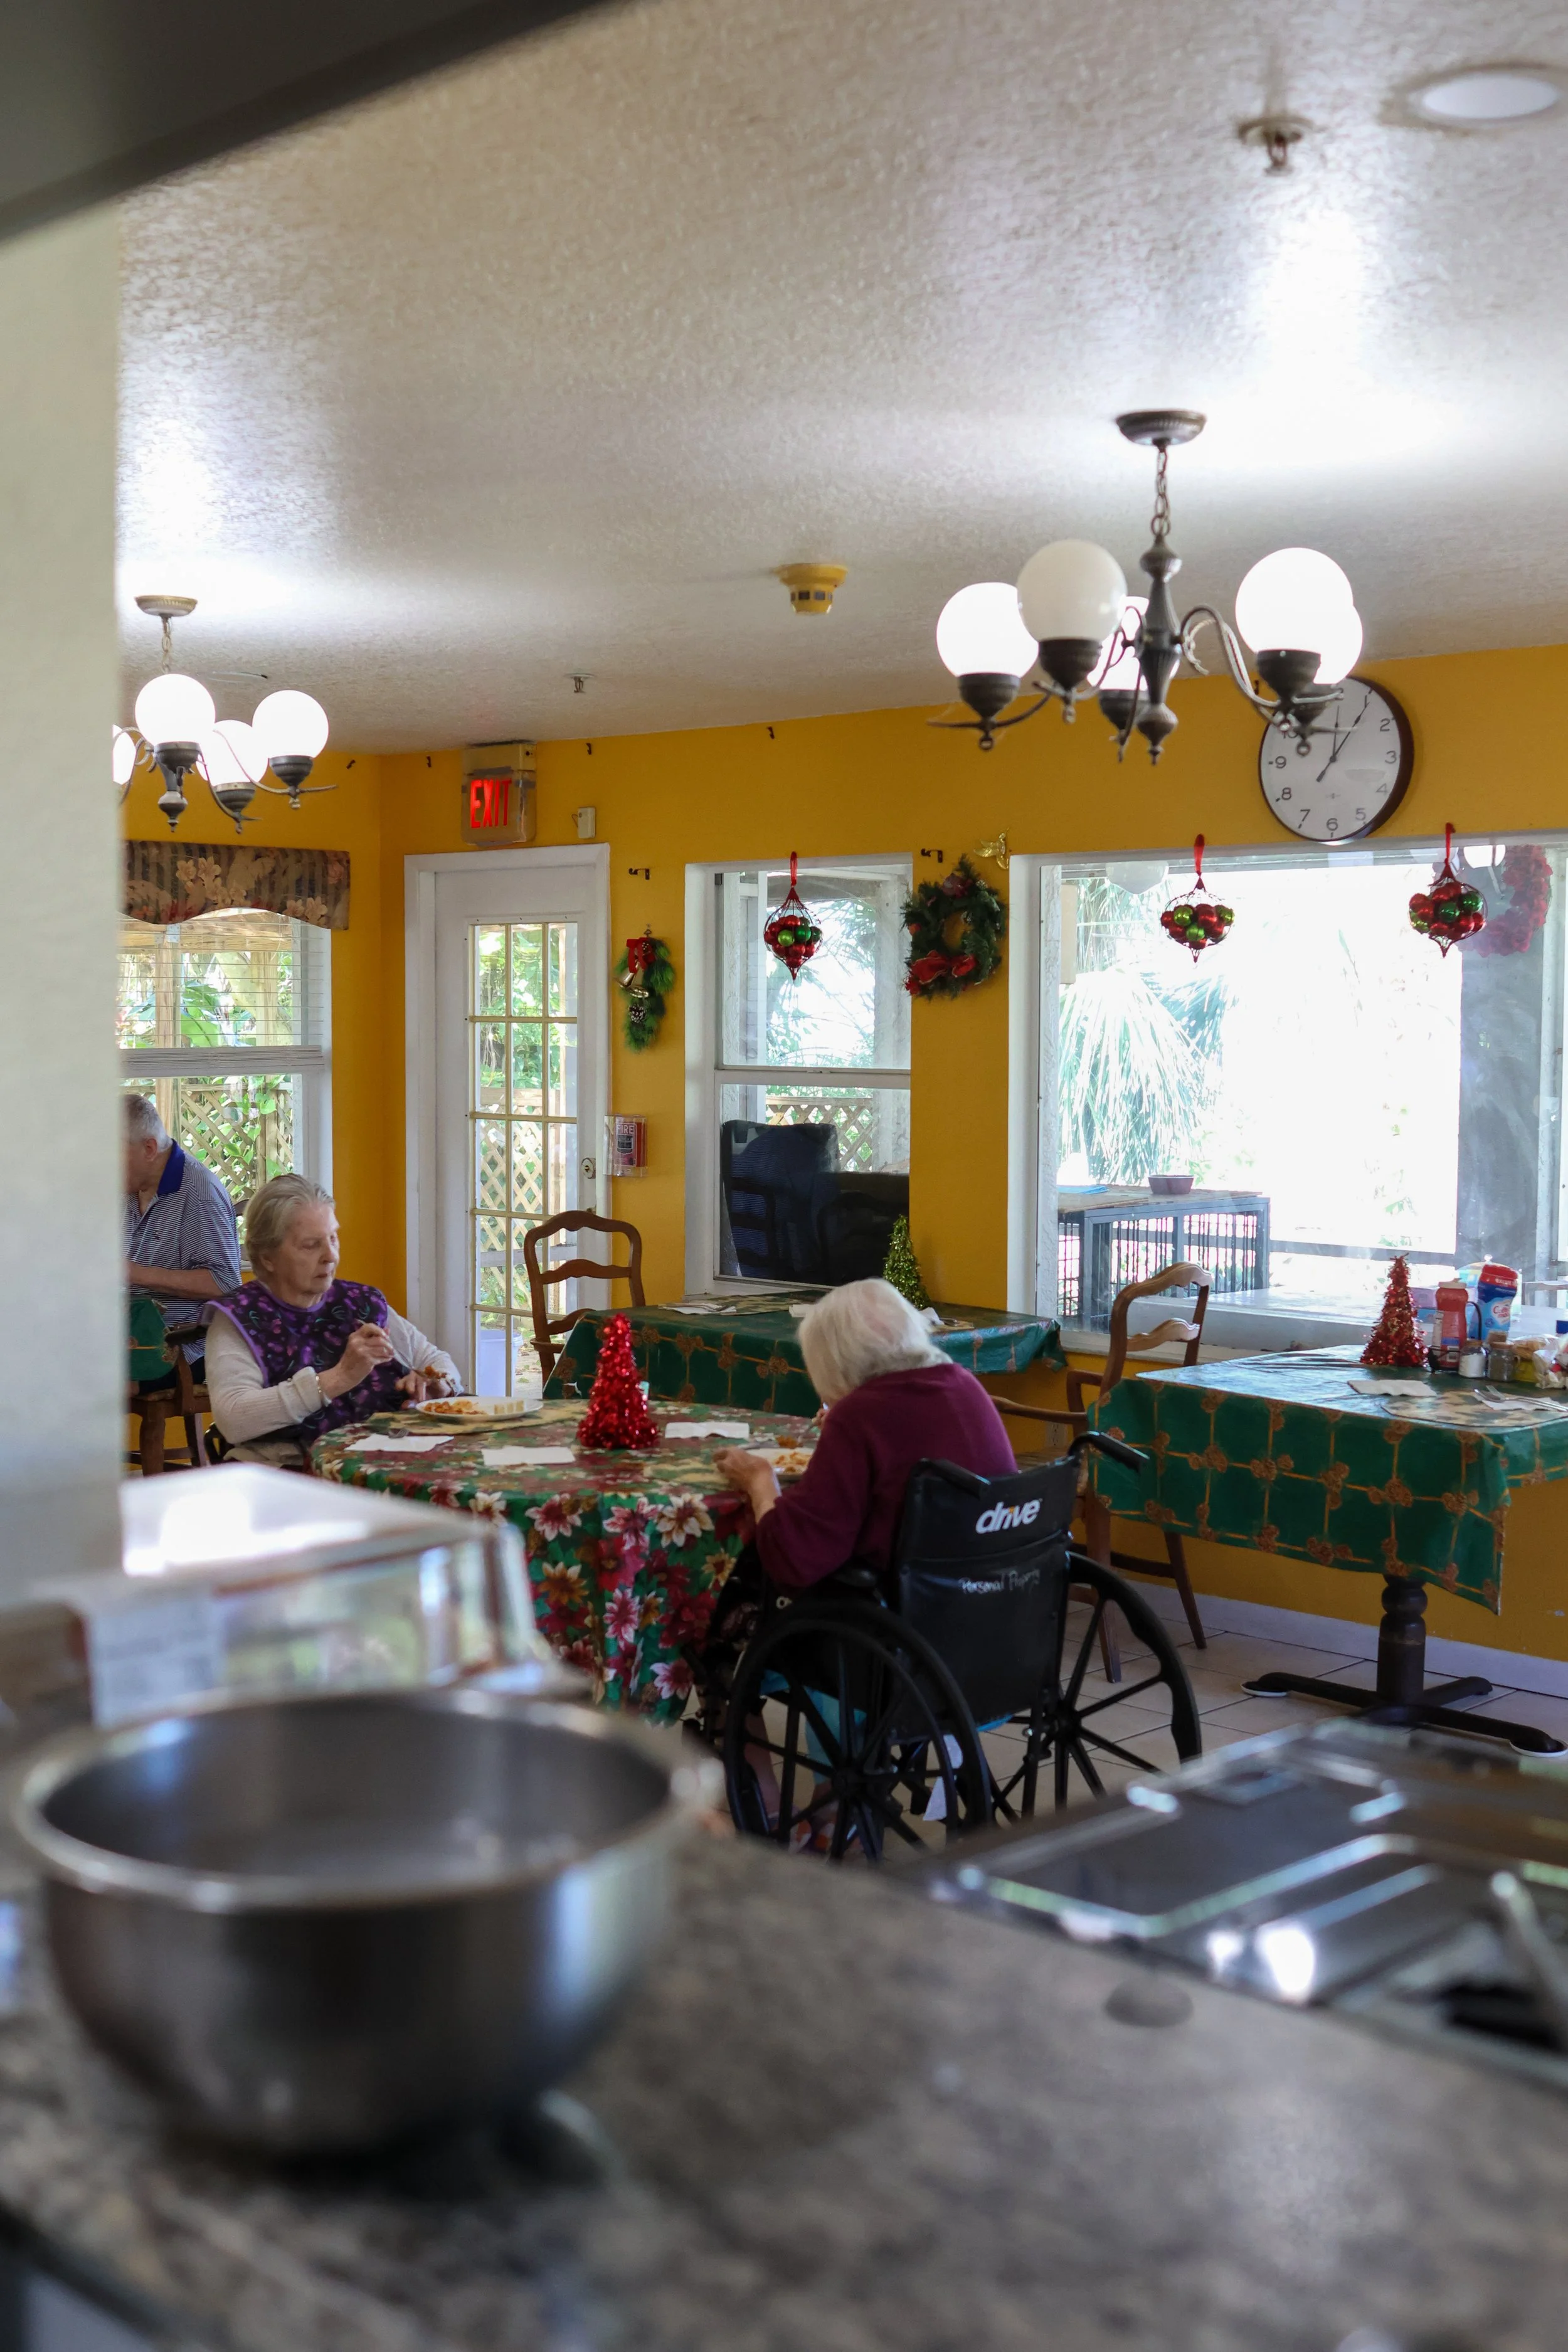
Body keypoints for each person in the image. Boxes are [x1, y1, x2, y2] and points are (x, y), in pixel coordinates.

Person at [696, 1277, 1016, 1724]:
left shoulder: (860, 1414)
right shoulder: (963, 1385)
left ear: (835, 1360)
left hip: (895, 1637)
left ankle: (761, 1782)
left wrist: (761, 1480)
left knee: (725, 1613)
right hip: (991, 1620)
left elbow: (795, 1559)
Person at [205, 1173, 461, 1467]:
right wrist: (339, 1378)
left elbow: (435, 1360)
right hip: (294, 1474)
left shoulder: (360, 1301)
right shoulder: (240, 1317)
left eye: (333, 1238)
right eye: (311, 1245)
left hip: (390, 1461)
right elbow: (234, 1419)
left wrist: (438, 1385)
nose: (330, 1256)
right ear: (267, 1258)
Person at [124, 1093, 241, 1388]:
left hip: (178, 1348)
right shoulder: (129, 1187)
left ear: (149, 1148)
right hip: (127, 1335)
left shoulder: (200, 1192)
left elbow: (226, 1284)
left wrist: (133, 1273)